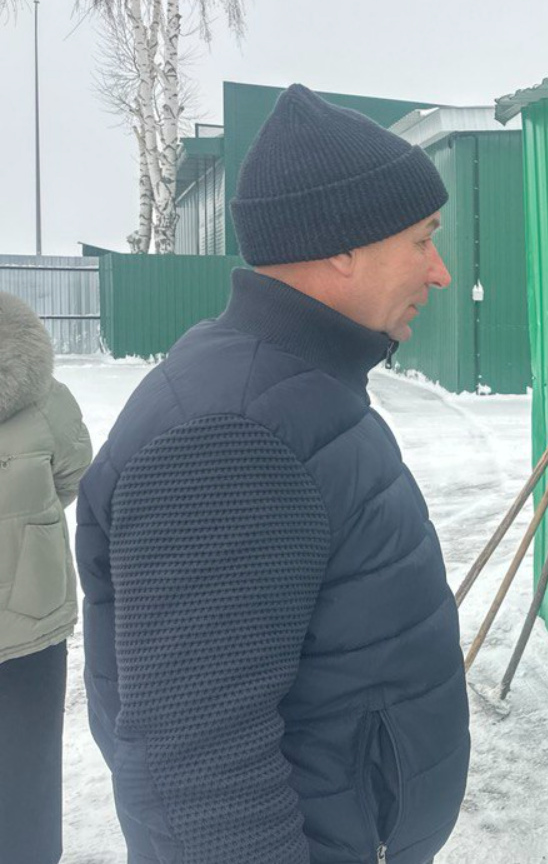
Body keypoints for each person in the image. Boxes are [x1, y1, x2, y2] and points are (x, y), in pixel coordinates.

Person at [75, 84, 469, 864]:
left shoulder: (293, 391)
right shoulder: (232, 437)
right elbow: (198, 774)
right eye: (422, 241)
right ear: (343, 247)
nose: (440, 272)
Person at [0, 291, 93, 864]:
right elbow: (69, 478)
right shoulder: (48, 398)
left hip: (31, 630)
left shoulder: (47, 400)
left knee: (28, 770)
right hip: (33, 613)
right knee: (26, 773)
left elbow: (75, 474)